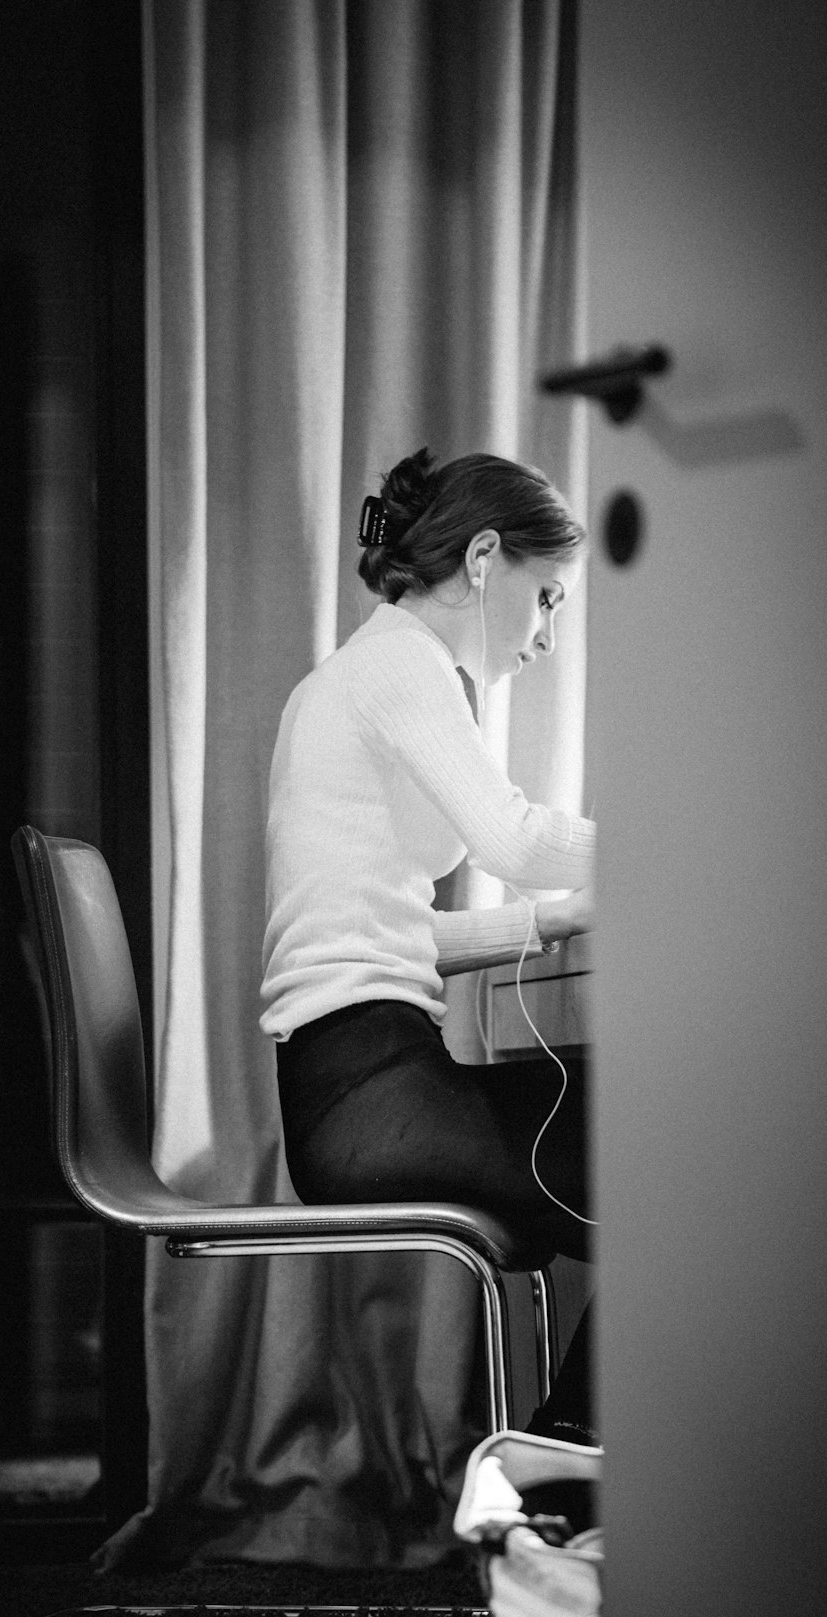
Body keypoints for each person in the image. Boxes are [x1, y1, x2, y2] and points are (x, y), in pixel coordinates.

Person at [260, 446, 596, 1445]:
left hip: (358, 1080)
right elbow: (514, 839)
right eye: (548, 599)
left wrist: (547, 921)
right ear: (485, 558)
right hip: (369, 1094)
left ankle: (565, 1462)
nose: (543, 636)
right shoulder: (401, 662)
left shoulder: (365, 668)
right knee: (700, 1159)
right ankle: (566, 1471)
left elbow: (385, 926)